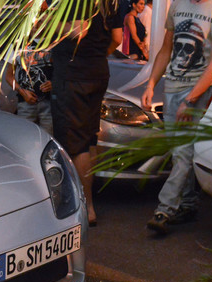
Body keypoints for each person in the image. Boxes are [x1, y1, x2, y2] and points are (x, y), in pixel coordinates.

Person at [142, 0, 212, 234]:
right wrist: (151, 84)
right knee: (178, 151)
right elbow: (166, 49)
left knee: (183, 152)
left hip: (196, 91)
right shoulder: (177, 5)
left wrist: (191, 100)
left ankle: (164, 209)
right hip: (172, 89)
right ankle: (187, 205)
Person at [50, 0, 123, 227]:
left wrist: (48, 21)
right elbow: (118, 39)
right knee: (89, 138)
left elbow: (78, 30)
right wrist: (96, 57)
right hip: (97, 72)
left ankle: (85, 207)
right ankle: (89, 201)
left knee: (75, 143)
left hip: (74, 76)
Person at [6, 44, 54, 135]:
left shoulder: (54, 42)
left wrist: (54, 83)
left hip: (49, 102)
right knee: (25, 137)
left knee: (47, 139)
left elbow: (63, 71)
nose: (34, 28)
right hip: (26, 102)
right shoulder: (18, 44)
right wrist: (22, 91)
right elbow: (8, 77)